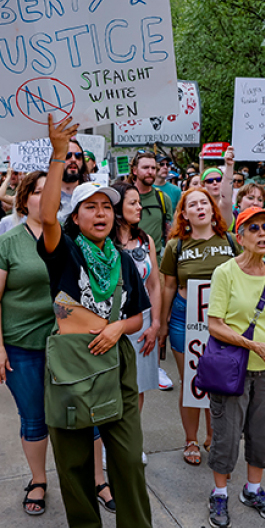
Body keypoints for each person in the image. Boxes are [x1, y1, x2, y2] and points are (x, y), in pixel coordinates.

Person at [37, 115, 169, 528]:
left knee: (129, 459)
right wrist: (58, 154)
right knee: (72, 461)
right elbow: (46, 214)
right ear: (75, 217)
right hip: (71, 369)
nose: (100, 213)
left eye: (106, 207)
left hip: (116, 365)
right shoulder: (63, 252)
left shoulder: (124, 261)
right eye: (89, 207)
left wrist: (119, 329)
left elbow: (138, 313)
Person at [204, 207, 265, 528]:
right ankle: (219, 492)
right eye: (253, 228)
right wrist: (253, 345)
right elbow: (215, 325)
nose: (262, 233)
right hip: (232, 366)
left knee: (262, 431)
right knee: (225, 433)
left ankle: (252, 490)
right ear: (240, 237)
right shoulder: (226, 272)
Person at [0, 170, 55, 514]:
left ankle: (95, 479)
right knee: (34, 418)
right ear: (24, 200)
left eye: (50, 191)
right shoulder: (7, 242)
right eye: (37, 192)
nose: (45, 197)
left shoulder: (71, 237)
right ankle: (38, 480)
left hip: (67, 347)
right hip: (22, 349)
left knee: (83, 418)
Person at [159, 187, 238, 466]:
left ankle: (213, 434)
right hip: (184, 316)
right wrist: (161, 324)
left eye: (205, 202)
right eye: (193, 205)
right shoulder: (175, 246)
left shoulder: (229, 240)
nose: (200, 208)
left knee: (218, 381)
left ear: (212, 209)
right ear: (185, 214)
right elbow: (167, 285)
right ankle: (190, 439)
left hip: (223, 318)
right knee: (191, 381)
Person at [111, 181, 165, 442]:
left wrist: (155, 324)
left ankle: (131, 440)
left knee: (137, 388)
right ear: (117, 206)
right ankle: (109, 442)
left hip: (142, 325)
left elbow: (154, 285)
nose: (139, 207)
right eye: (132, 202)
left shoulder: (146, 241)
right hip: (110, 324)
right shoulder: (102, 241)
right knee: (111, 386)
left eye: (139, 202)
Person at [128, 152, 172, 248]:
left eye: (153, 168)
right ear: (135, 171)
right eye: (145, 168)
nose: (150, 172)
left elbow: (169, 234)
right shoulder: (124, 196)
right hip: (130, 258)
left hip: (155, 258)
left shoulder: (163, 198)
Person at [58, 139, 89, 223]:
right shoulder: (45, 194)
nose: (73, 160)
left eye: (78, 156)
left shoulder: (90, 194)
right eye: (67, 155)